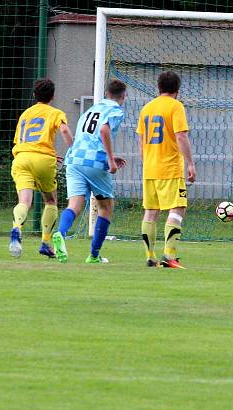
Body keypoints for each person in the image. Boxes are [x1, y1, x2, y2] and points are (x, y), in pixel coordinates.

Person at [51, 79, 128, 264]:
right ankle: (94, 255)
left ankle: (60, 233)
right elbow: (103, 130)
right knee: (106, 207)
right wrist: (110, 159)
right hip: (94, 163)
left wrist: (110, 155)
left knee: (75, 205)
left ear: (106, 93)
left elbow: (88, 137)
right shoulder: (115, 110)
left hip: (74, 160)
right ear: (123, 96)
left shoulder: (90, 110)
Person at [137, 71, 196, 269]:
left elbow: (141, 140)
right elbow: (181, 136)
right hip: (169, 167)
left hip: (149, 167)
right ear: (177, 91)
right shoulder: (175, 106)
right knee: (178, 207)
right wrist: (190, 163)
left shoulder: (147, 108)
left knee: (151, 211)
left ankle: (150, 256)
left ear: (158, 87)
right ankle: (169, 255)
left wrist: (146, 162)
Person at [9, 78, 74, 258]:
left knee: (24, 201)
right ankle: (45, 243)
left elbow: (23, 141)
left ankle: (16, 229)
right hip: (43, 159)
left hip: (21, 157)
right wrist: (73, 150)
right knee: (51, 201)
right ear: (53, 96)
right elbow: (65, 131)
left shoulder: (25, 114)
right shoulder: (55, 112)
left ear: (34, 95)